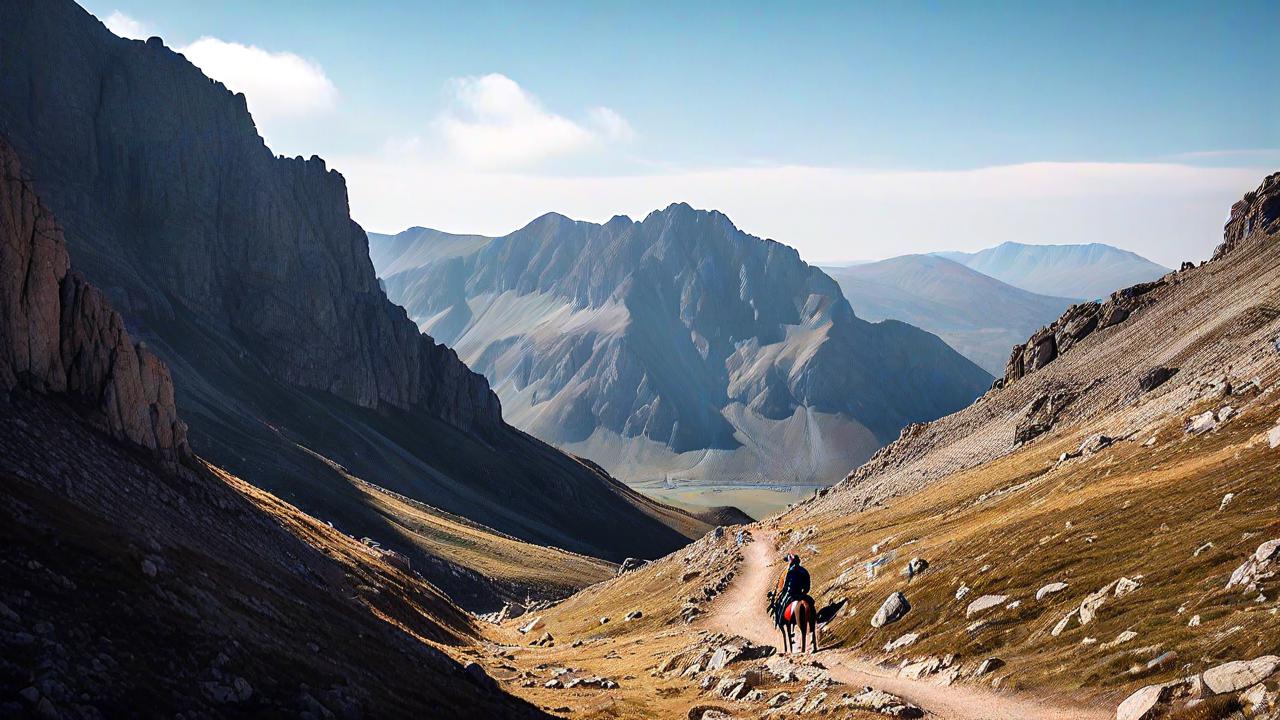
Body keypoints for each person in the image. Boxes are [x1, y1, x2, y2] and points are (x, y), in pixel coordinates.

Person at [774, 553, 812, 627]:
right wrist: (803, 593)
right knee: (810, 602)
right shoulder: (804, 571)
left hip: (790, 594)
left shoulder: (790, 571)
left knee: (782, 604)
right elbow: (807, 587)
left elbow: (786, 585)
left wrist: (782, 592)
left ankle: (779, 622)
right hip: (800, 594)